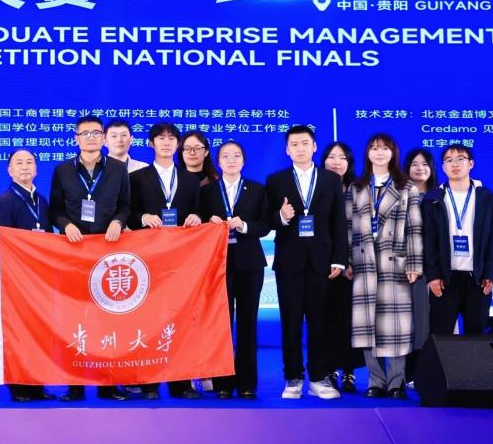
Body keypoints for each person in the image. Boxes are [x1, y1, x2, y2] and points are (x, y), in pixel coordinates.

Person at [49, 115, 131, 402]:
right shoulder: (62, 170)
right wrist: (66, 225)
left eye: (96, 133)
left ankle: (108, 384)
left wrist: (118, 222)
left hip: (108, 253)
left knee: (108, 320)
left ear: (104, 138)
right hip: (75, 252)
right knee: (75, 319)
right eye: (85, 133)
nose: (91, 138)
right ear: (76, 138)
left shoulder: (118, 169)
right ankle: (75, 386)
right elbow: (55, 209)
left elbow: (126, 206)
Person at [265, 125, 348, 401]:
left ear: (314, 147)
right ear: (287, 150)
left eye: (304, 143)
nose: (300, 148)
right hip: (289, 262)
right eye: (294, 144)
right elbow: (266, 221)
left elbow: (338, 222)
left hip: (322, 262)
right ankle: (293, 377)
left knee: (320, 322)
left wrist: (339, 259)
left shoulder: (331, 179)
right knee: (290, 322)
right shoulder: (275, 180)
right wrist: (282, 217)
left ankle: (318, 377)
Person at [129, 121, 203, 399]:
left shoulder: (189, 179)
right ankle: (149, 382)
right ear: (151, 144)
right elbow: (128, 213)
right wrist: (142, 217)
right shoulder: (137, 178)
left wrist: (197, 217)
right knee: (148, 320)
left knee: (179, 319)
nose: (166, 142)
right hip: (149, 259)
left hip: (181, 261)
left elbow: (199, 211)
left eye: (172, 138)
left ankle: (180, 383)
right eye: (160, 138)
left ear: (177, 144)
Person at [345, 135, 423, 399]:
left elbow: (414, 228)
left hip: (395, 263)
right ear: (367, 154)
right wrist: (347, 260)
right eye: (374, 148)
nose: (379, 153)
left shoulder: (406, 187)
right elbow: (347, 227)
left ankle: (396, 382)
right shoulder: (356, 187)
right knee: (367, 325)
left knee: (396, 326)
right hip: (364, 262)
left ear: (393, 153)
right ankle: (375, 381)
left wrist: (414, 263)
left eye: (385, 149)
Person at [199, 140, 268, 399]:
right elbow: (196, 223)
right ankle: (223, 383)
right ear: (218, 162)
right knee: (222, 324)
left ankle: (247, 382)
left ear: (243, 160)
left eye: (236, 155)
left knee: (248, 323)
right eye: (226, 156)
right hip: (218, 265)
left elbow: (265, 225)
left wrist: (245, 225)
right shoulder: (207, 191)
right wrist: (208, 222)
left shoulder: (257, 189)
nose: (231, 160)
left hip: (250, 264)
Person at [0, 149, 57, 403]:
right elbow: (3, 244)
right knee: (19, 333)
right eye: (18, 163)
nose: (25, 167)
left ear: (37, 169)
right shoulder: (5, 201)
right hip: (17, 280)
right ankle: (18, 386)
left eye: (29, 162)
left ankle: (37, 384)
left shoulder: (42, 200)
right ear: (9, 170)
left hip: (40, 278)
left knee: (39, 333)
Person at [423, 144, 493, 337]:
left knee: (476, 337)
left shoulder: (487, 198)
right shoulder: (433, 199)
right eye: (449, 160)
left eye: (460, 159)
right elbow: (428, 240)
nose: (455, 164)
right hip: (445, 279)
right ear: (443, 167)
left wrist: (490, 273)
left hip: (477, 279)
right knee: (440, 336)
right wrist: (433, 275)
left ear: (471, 164)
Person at [322, 140, 362, 393]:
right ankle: (329, 368)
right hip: (323, 265)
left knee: (350, 320)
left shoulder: (358, 189)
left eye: (342, 158)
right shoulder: (316, 185)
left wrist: (350, 261)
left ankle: (349, 370)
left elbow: (363, 229)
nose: (337, 162)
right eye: (332, 157)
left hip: (352, 267)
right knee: (326, 319)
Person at [403, 148, 439, 385]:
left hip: (435, 268)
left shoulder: (441, 196)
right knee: (412, 322)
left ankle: (432, 371)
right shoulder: (400, 194)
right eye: (415, 164)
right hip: (407, 268)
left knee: (432, 322)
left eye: (425, 164)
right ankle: (410, 372)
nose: (420, 168)